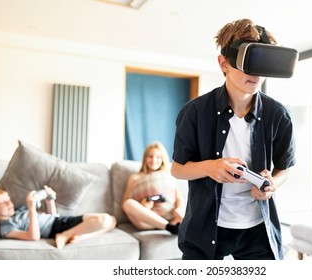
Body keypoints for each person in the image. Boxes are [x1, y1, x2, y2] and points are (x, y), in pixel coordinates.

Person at [171, 18, 296, 260]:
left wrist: (273, 185)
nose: (257, 73)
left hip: (258, 229)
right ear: (224, 63)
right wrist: (210, 167)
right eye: (250, 62)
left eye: (263, 64)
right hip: (206, 227)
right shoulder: (194, 112)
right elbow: (177, 169)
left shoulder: (278, 114)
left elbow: (285, 168)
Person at [0, 186, 117, 249]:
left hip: (59, 220)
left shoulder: (20, 210)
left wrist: (49, 201)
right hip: (56, 228)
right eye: (2, 203)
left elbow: (50, 217)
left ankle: (78, 236)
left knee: (112, 221)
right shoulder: (7, 228)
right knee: (105, 220)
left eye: (8, 200)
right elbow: (33, 236)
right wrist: (31, 208)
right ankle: (65, 235)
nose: (9, 204)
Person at [122, 142, 184, 235]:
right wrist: (143, 207)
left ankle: (169, 226)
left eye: (158, 157)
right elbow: (124, 205)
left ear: (162, 159)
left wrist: (179, 209)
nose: (154, 160)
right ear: (145, 158)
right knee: (127, 203)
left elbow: (179, 198)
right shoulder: (135, 177)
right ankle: (169, 227)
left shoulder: (168, 175)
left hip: (171, 218)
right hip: (146, 222)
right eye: (150, 156)